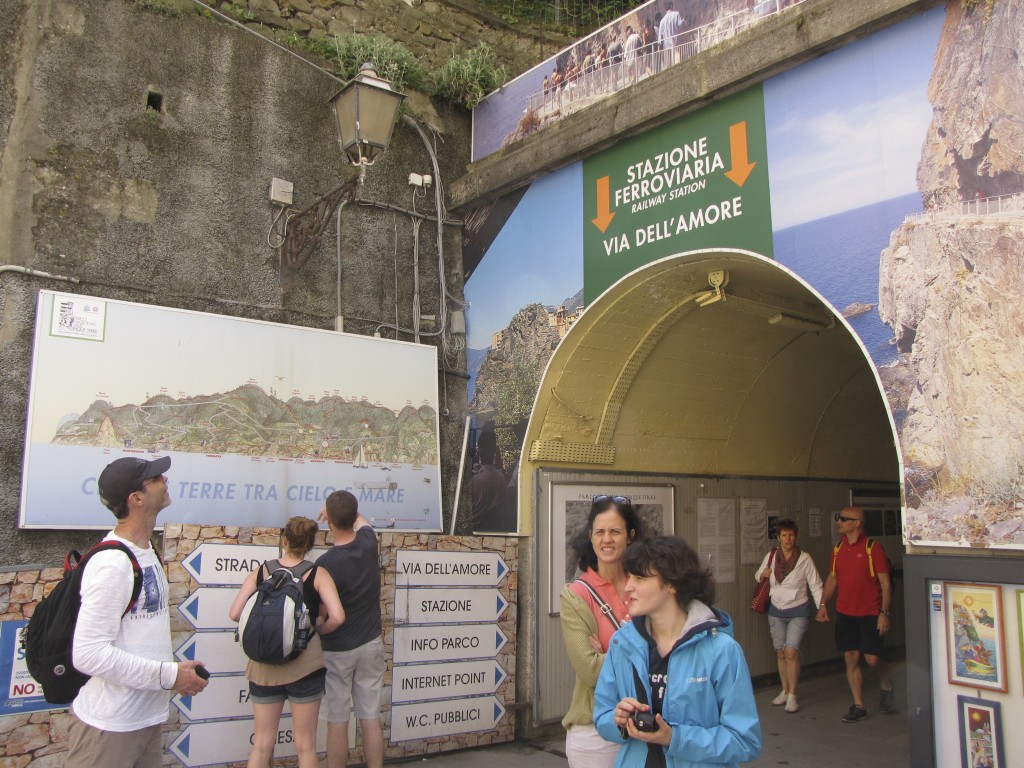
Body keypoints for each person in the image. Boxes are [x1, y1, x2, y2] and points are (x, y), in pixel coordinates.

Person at [68, 456, 209, 768]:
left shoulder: (147, 551)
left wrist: (175, 669)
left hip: (145, 720)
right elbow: (88, 654)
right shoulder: (113, 563)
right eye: (156, 477)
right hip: (110, 728)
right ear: (136, 498)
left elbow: (137, 634)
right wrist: (169, 675)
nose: (165, 480)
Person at [594, 536, 761, 767]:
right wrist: (619, 721)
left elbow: (744, 741)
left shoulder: (722, 651)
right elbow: (602, 717)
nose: (628, 586)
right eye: (628, 576)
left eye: (640, 577)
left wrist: (675, 738)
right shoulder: (622, 644)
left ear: (672, 583)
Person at [229, 516, 345, 768]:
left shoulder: (262, 571)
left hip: (263, 669)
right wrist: (318, 628)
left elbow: (235, 613)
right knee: (305, 748)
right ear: (310, 545)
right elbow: (338, 616)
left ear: (284, 541)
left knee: (261, 745)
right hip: (305, 666)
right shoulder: (317, 574)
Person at [559, 495, 645, 768]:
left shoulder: (646, 584)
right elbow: (591, 671)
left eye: (615, 531)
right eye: (600, 532)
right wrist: (646, 649)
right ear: (591, 537)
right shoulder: (576, 595)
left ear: (630, 536)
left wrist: (611, 652)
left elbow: (671, 651)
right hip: (596, 732)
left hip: (647, 726)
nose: (606, 539)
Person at [317, 491, 385, 768]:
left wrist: (320, 629)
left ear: (329, 521)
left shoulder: (326, 564)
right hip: (371, 644)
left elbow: (323, 613)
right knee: (370, 717)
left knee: (337, 720)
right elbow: (363, 521)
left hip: (337, 650)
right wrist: (345, 512)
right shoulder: (369, 543)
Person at [815, 506, 895, 722]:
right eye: (838, 517)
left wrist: (884, 613)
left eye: (843, 518)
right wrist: (823, 604)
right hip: (845, 612)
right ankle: (859, 705)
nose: (839, 522)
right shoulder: (838, 549)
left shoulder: (873, 549)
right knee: (850, 657)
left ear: (857, 523)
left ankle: (885, 677)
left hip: (870, 612)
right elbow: (833, 578)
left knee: (871, 659)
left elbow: (885, 584)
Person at [754, 518, 823, 713]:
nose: (788, 539)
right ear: (778, 537)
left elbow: (815, 584)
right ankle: (784, 690)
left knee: (791, 651)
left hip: (798, 610)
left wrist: (821, 607)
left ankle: (793, 695)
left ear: (796, 536)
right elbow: (758, 575)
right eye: (784, 535)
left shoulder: (804, 559)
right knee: (780, 652)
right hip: (776, 609)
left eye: (791, 535)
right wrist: (763, 574)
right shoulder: (772, 555)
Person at [472, 429, 511, 532]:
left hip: (477, 528)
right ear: (494, 453)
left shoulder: (475, 481)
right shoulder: (501, 478)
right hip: (497, 528)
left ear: (479, 454)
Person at [658, 2, 684, 67]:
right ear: (672, 6)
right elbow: (680, 26)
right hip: (676, 42)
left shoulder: (662, 21)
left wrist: (659, 50)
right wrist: (683, 21)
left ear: (665, 9)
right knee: (677, 57)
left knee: (669, 65)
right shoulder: (676, 14)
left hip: (666, 46)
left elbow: (660, 38)